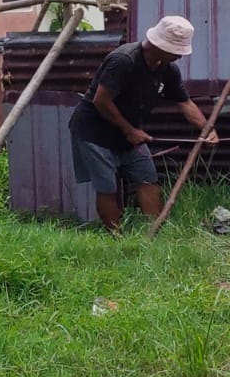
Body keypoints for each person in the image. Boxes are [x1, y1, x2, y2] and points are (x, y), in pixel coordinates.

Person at [68, 15, 217, 233]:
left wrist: (208, 129)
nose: (179, 56)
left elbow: (184, 102)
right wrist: (130, 131)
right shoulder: (124, 61)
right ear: (160, 45)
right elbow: (101, 100)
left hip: (130, 132)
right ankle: (117, 238)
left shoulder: (168, 69)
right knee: (107, 186)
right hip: (94, 132)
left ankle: (154, 233)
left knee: (147, 177)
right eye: (176, 51)